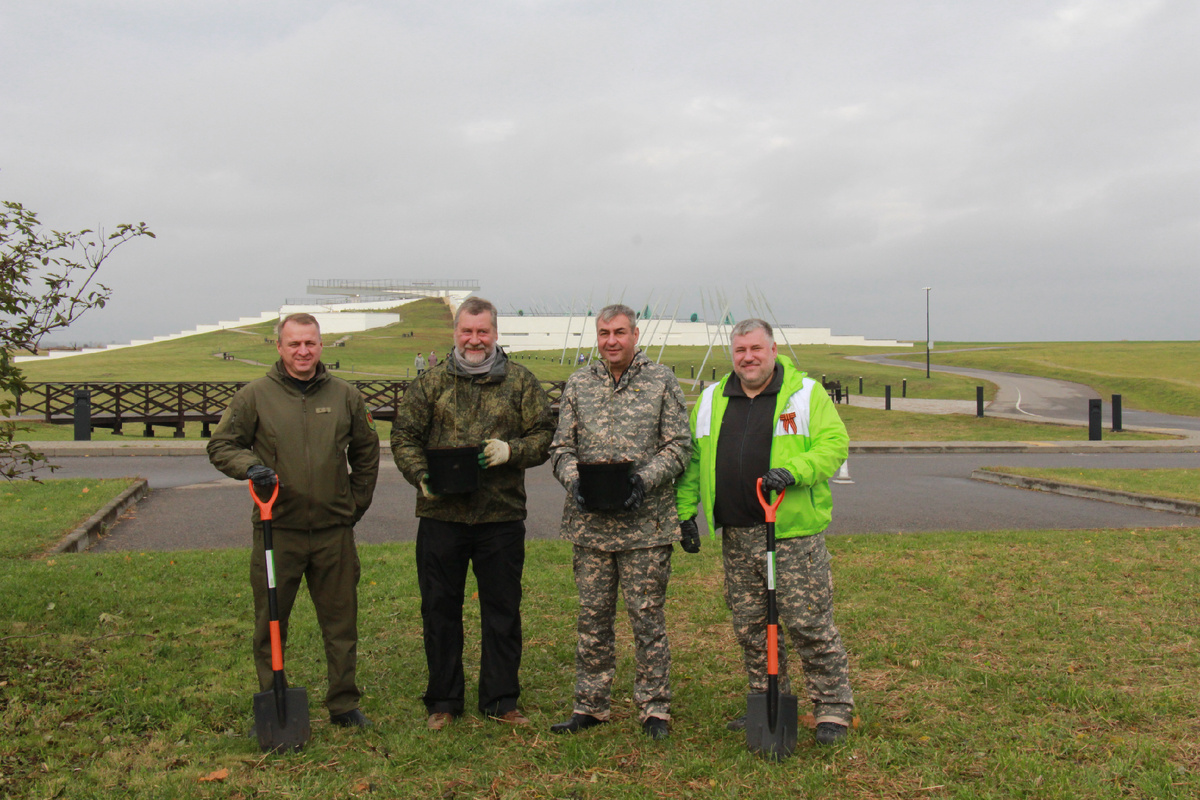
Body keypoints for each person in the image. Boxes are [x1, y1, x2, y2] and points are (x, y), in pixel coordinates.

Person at [674, 318, 854, 745]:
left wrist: (795, 471)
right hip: (738, 535)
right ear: (732, 355)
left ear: (773, 350)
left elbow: (834, 445)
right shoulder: (713, 398)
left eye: (756, 349)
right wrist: (685, 514)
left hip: (792, 534)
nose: (748, 358)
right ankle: (766, 696)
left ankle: (832, 708)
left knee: (808, 621)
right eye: (740, 351)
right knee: (751, 625)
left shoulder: (805, 394)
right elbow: (695, 461)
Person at [208, 312, 380, 729]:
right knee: (270, 621)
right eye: (294, 344)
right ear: (280, 347)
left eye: (310, 343)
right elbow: (222, 445)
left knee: (341, 623)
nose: (303, 351)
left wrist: (352, 505)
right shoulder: (255, 396)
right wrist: (250, 467)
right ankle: (273, 699)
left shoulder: (345, 396)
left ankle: (343, 703)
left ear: (321, 345)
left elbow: (366, 452)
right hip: (277, 531)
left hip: (332, 533)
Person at [391, 297, 555, 730]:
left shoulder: (520, 382)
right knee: (439, 609)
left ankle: (501, 700)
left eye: (483, 331)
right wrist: (420, 474)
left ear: (495, 333)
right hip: (441, 516)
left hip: (499, 517)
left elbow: (544, 434)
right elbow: (404, 435)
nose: (475, 339)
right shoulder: (430, 384)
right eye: (467, 331)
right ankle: (443, 700)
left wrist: (512, 451)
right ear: (455, 333)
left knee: (502, 610)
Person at [548, 303, 692, 740]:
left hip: (644, 525)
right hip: (590, 526)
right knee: (592, 618)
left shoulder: (661, 381)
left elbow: (679, 446)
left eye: (620, 332)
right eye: (604, 333)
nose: (611, 340)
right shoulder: (579, 383)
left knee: (647, 618)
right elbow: (560, 447)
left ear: (635, 335)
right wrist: (574, 481)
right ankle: (591, 705)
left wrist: (643, 481)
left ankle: (654, 707)